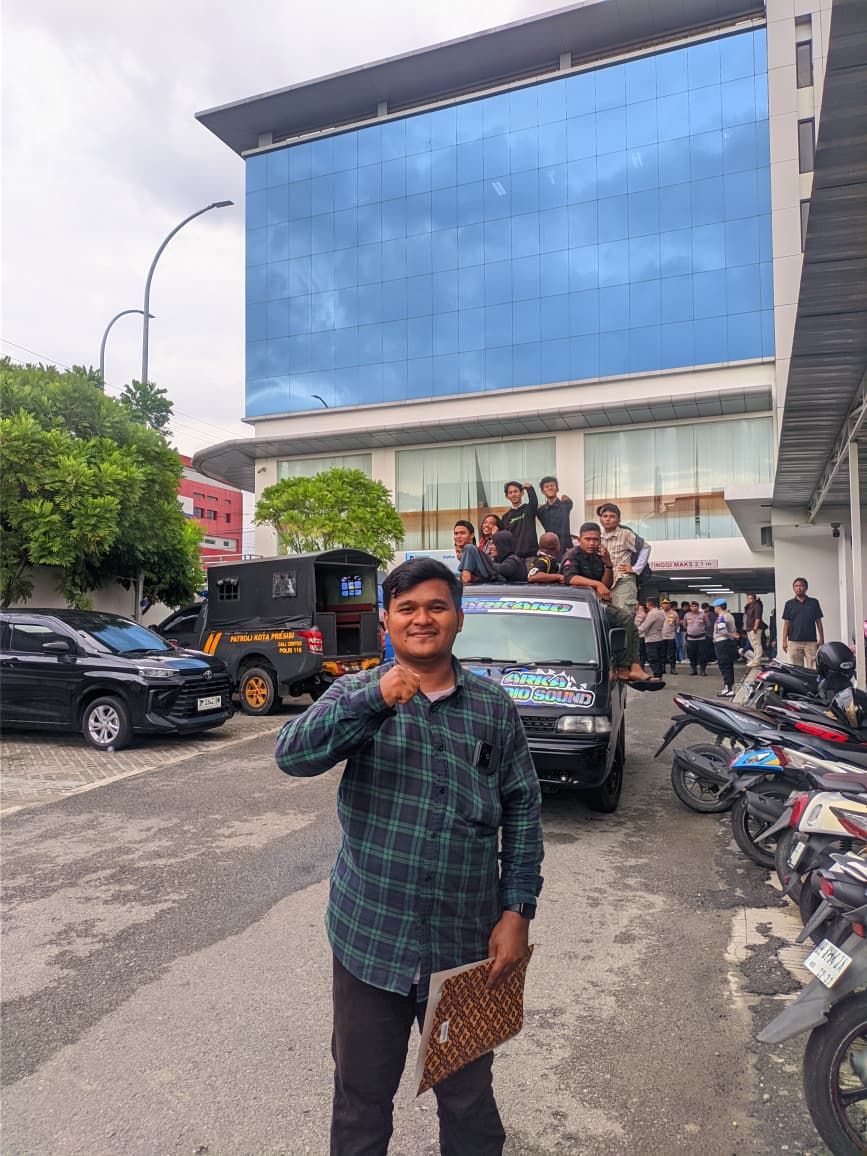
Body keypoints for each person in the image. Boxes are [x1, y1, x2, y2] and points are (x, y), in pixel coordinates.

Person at [274, 557, 544, 1156]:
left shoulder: (493, 706)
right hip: (371, 941)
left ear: (459, 618)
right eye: (407, 608)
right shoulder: (355, 692)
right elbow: (291, 755)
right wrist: (373, 700)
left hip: (465, 945)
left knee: (469, 1103)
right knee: (361, 1102)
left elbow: (523, 807)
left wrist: (517, 910)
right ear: (386, 622)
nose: (423, 619)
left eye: (437, 606)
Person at [561, 522, 662, 686]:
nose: (592, 543)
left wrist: (608, 564)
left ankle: (633, 667)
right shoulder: (572, 555)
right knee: (622, 620)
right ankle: (622, 668)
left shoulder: (598, 556)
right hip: (576, 605)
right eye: (588, 539)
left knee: (629, 623)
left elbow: (606, 584)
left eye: (595, 539)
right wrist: (596, 585)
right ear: (579, 539)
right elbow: (570, 578)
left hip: (594, 603)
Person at [596, 502, 651, 619]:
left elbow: (646, 547)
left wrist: (636, 569)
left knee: (624, 617)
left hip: (623, 581)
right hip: (606, 583)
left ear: (618, 520)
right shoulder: (598, 537)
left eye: (612, 516)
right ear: (600, 519)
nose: (608, 519)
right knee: (605, 618)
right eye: (605, 516)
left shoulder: (625, 534)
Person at [782, 577, 824, 669]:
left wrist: (821, 638)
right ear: (793, 588)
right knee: (797, 669)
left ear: (806, 588)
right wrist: (784, 640)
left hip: (811, 641)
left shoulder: (814, 602)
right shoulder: (789, 604)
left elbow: (818, 621)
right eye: (796, 586)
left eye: (801, 586)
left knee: (813, 668)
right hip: (794, 641)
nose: (799, 588)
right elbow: (786, 623)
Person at [535, 477, 573, 559]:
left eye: (552, 485)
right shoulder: (540, 511)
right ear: (542, 491)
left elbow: (569, 501)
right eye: (546, 486)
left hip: (566, 548)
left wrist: (565, 497)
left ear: (557, 489)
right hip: (549, 550)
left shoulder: (565, 505)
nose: (550, 488)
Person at [502, 482, 539, 563]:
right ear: (507, 496)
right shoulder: (505, 517)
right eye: (510, 492)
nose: (513, 494)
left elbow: (534, 502)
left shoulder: (529, 509)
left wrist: (530, 489)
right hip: (514, 558)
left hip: (531, 556)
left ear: (522, 493)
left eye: (516, 491)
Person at [712, 598, 739, 697]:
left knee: (724, 666)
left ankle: (728, 688)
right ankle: (729, 687)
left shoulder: (721, 617)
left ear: (718, 607)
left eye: (715, 607)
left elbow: (722, 630)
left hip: (722, 643)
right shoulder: (729, 615)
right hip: (727, 643)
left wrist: (731, 636)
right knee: (728, 665)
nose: (714, 609)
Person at [454, 520, 494, 586]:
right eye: (456, 533)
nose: (458, 536)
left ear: (472, 535)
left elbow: (466, 579)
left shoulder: (469, 548)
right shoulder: (474, 551)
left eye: (462, 533)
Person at [637, 596, 666, 679]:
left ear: (649, 603)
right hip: (659, 638)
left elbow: (644, 626)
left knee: (653, 659)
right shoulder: (661, 612)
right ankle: (659, 676)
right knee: (658, 659)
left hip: (651, 639)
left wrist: (634, 632)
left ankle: (657, 676)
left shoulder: (652, 613)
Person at [683, 600, 708, 676]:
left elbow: (707, 624)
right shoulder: (687, 615)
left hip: (701, 638)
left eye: (695, 606)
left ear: (698, 607)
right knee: (692, 655)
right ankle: (693, 670)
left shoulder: (703, 615)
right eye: (692, 606)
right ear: (690, 607)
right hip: (691, 639)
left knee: (702, 655)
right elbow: (684, 625)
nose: (693, 607)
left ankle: (702, 670)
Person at [744, 593, 765, 667]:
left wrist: (755, 627)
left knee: (757, 644)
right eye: (748, 598)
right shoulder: (749, 607)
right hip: (749, 628)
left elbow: (757, 617)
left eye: (751, 598)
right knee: (753, 645)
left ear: (754, 599)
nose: (749, 600)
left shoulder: (757, 606)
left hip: (755, 628)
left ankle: (757, 660)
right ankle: (755, 659)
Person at [660, 598, 679, 675]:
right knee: (662, 654)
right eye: (664, 603)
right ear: (662, 604)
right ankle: (662, 668)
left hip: (671, 637)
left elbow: (677, 624)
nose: (666, 605)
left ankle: (672, 669)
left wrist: (672, 630)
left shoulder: (674, 613)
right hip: (661, 637)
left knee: (672, 654)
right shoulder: (659, 613)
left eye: (667, 603)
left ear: (670, 604)